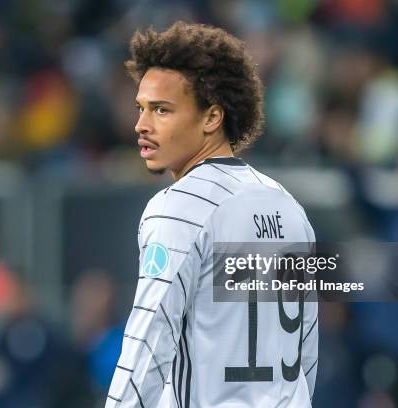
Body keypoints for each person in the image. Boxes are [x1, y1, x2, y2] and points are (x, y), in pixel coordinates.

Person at [106, 21, 317, 407]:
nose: (141, 125)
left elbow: (147, 344)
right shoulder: (290, 207)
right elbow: (307, 352)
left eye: (162, 110)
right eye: (141, 108)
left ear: (211, 118)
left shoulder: (178, 208)